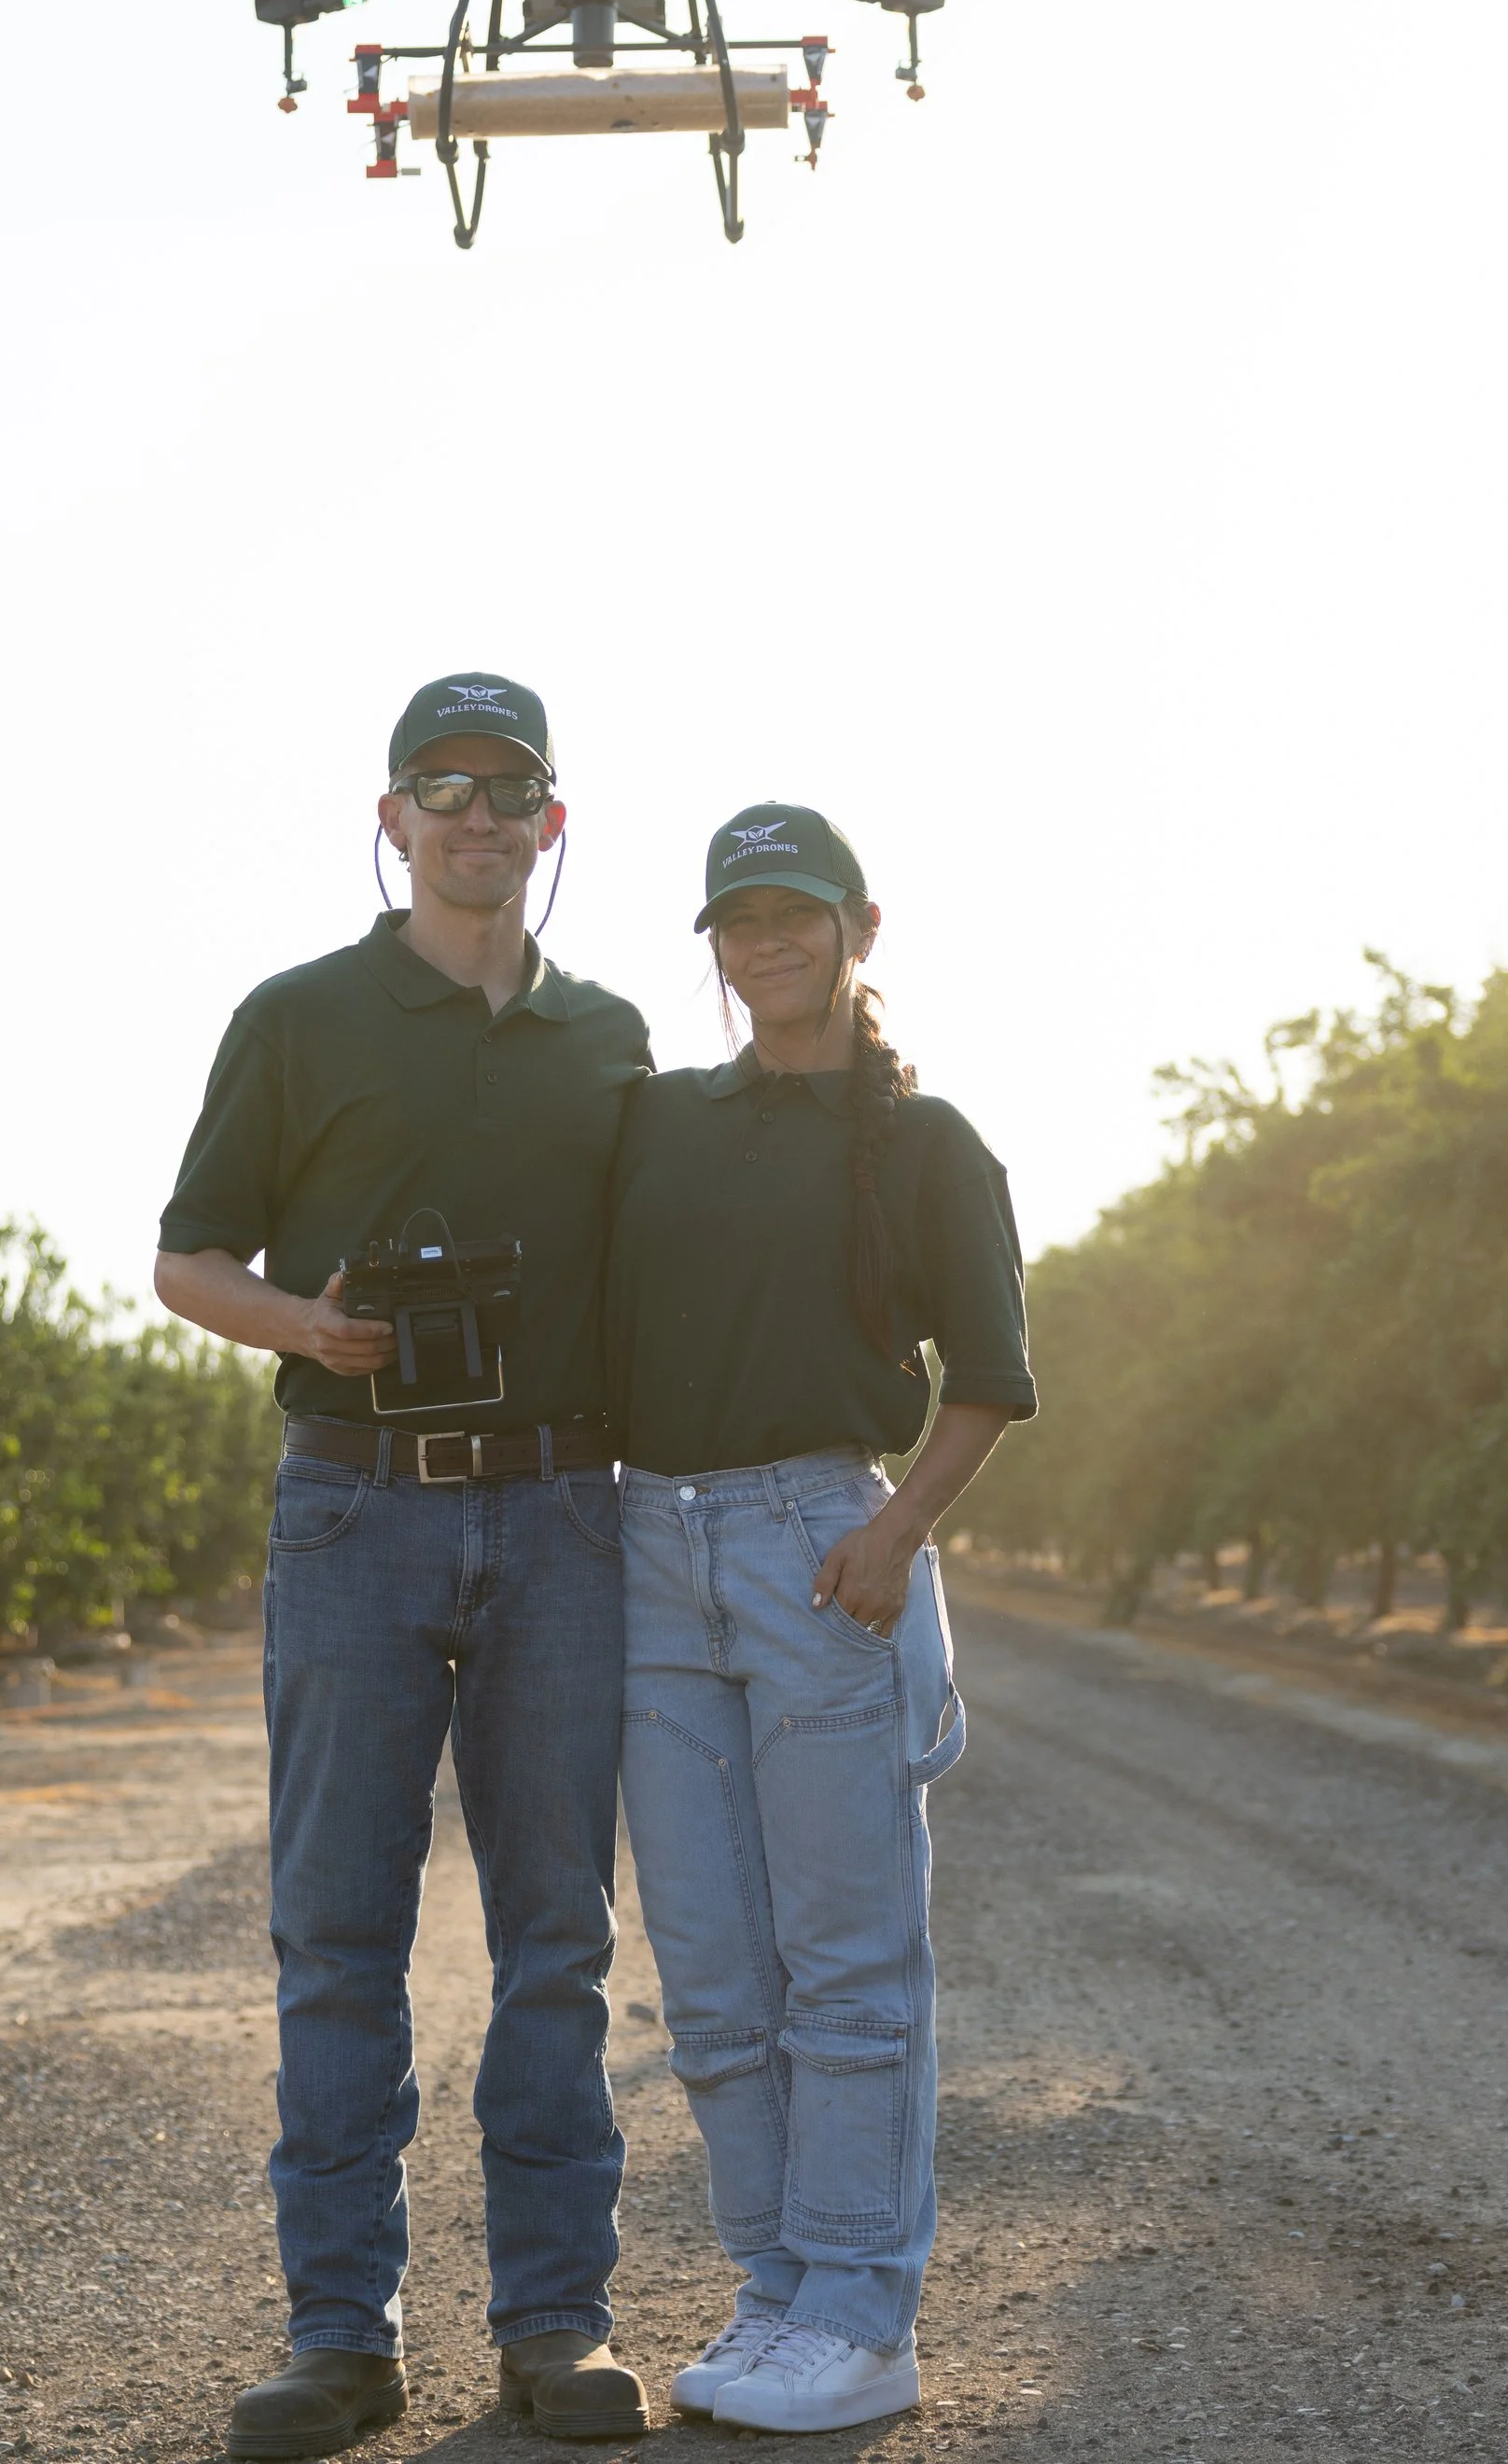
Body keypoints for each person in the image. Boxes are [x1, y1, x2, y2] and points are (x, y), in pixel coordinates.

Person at [154, 674, 654, 2458]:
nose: (475, 814)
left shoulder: (612, 1035)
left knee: (556, 1939)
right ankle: (337, 2337)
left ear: (551, 824)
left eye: (508, 787)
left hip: (562, 1508)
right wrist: (310, 1325)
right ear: (390, 818)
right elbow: (185, 1259)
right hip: (354, 1500)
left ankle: (554, 2327)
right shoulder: (294, 1017)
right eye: (439, 785)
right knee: (339, 1936)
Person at [603, 801, 1037, 2434]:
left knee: (847, 1965)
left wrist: (898, 1529)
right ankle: (775, 2289)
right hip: (651, 1544)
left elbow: (990, 1381)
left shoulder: (927, 1144)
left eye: (794, 914)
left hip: (818, 1546)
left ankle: (863, 2310)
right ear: (712, 946)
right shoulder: (659, 1122)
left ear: (861, 926)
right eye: (736, 920)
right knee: (712, 1973)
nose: (765, 942)